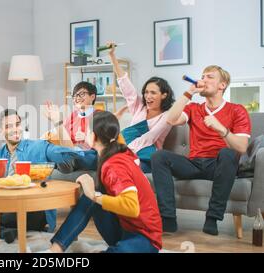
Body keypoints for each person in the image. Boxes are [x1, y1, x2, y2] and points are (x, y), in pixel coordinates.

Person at [0, 109, 98, 244]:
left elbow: (68, 154)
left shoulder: (38, 146)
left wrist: (58, 123)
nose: (15, 129)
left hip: (34, 208)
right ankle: (1, 230)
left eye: (17, 124)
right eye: (9, 126)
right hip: (4, 206)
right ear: (0, 131)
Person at [42, 111, 162, 253]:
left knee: (92, 195)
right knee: (90, 196)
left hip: (145, 239)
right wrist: (92, 195)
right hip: (124, 229)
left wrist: (94, 195)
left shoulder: (114, 165)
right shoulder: (119, 153)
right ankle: (55, 250)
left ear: (93, 137)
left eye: (86, 131)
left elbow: (132, 206)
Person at [151, 65, 251, 235]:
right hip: (195, 164)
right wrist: (189, 92)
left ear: (222, 85)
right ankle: (168, 219)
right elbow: (171, 119)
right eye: (202, 76)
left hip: (219, 165)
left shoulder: (237, 110)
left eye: (210, 77)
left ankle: (212, 217)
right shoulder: (194, 109)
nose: (203, 80)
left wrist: (222, 129)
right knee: (159, 156)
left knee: (228, 153)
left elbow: (241, 147)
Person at [107, 42, 175, 172]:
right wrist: (112, 56)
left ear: (164, 95)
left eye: (153, 93)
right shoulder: (140, 107)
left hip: (147, 158)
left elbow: (150, 138)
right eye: (146, 92)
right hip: (128, 153)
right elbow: (125, 84)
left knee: (122, 168)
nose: (148, 96)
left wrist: (122, 149)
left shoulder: (167, 116)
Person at [43, 81, 128, 150]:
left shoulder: (99, 115)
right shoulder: (72, 116)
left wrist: (86, 137)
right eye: (75, 95)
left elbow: (104, 140)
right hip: (71, 150)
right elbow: (61, 134)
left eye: (82, 94)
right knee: (42, 145)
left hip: (88, 153)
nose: (77, 98)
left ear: (92, 97)